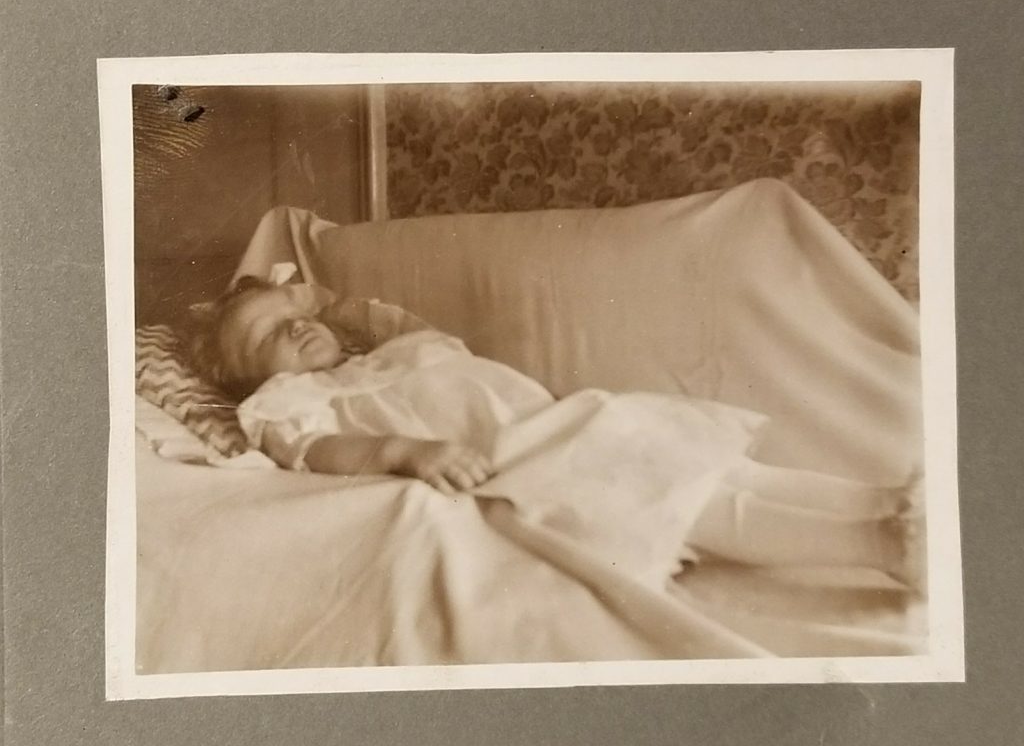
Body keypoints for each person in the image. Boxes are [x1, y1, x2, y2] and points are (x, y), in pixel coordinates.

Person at [188, 276, 925, 592]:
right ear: (255, 379)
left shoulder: (384, 349)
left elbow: (382, 319)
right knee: (694, 501)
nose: (295, 325)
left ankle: (887, 504)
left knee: (712, 463)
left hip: (560, 419)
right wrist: (401, 451)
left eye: (291, 311)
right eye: (269, 339)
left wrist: (327, 303)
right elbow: (312, 452)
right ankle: (883, 548)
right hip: (516, 461)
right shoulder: (291, 399)